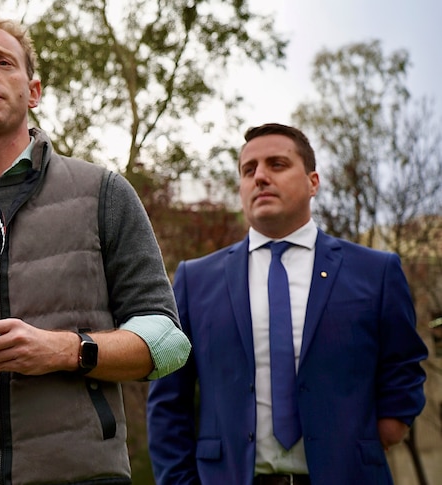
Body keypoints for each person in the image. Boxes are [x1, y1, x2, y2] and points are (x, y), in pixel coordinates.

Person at [0, 9, 191, 484]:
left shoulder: (103, 193)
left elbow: (168, 343)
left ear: (34, 91)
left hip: (78, 473)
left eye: (3, 62)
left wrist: (66, 350)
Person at [146, 123, 428, 485]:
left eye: (277, 164)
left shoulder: (376, 272)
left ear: (313, 182)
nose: (260, 177)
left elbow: (403, 364)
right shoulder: (196, 280)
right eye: (249, 170)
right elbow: (168, 400)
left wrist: (383, 432)